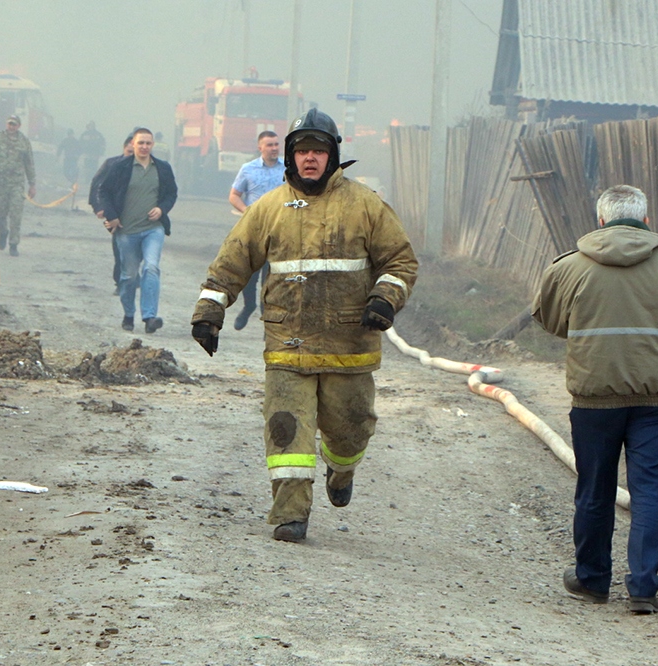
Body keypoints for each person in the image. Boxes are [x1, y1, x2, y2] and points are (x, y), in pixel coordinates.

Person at [190, 108, 418, 543]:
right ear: (291, 157)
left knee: (351, 429)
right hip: (286, 346)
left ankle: (341, 469)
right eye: (302, 151)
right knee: (286, 430)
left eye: (318, 150)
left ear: (333, 156)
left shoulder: (365, 205)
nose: (309, 158)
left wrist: (385, 298)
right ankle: (289, 514)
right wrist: (209, 312)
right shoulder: (269, 208)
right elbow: (231, 263)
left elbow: (400, 261)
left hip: (349, 345)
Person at [532, 184, 658, 614]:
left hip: (593, 400)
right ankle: (643, 589)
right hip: (657, 403)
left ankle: (592, 580)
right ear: (645, 220)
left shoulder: (571, 267)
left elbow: (549, 319)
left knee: (594, 491)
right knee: (651, 492)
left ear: (601, 220)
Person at [98, 128, 178, 334]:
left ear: (153, 145)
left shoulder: (162, 168)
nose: (144, 147)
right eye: (140, 143)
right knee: (129, 276)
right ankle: (128, 314)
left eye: (148, 143)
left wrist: (162, 209)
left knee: (151, 268)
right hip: (126, 231)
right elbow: (103, 191)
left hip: (153, 229)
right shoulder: (120, 167)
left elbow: (171, 193)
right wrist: (112, 216)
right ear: (132, 144)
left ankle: (150, 317)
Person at [227, 130, 284, 330]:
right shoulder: (248, 169)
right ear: (260, 148)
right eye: (269, 145)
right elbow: (234, 195)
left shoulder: (288, 169)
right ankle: (248, 306)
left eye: (276, 144)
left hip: (279, 231)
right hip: (254, 231)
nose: (274, 148)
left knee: (271, 279)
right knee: (250, 276)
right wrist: (246, 211)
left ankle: (267, 323)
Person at [90, 131, 137, 293]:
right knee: (120, 247)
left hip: (138, 215)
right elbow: (97, 185)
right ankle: (120, 282)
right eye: (129, 151)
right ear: (124, 148)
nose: (131, 156)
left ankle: (131, 277)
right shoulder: (112, 164)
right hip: (115, 213)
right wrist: (98, 207)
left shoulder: (146, 168)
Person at [0, 115, 36, 257]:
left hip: (17, 183)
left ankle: (13, 244)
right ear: (6, 124)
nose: (11, 126)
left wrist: (32, 184)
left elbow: (29, 164)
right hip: (0, 182)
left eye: (14, 124)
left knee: (16, 213)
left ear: (19, 126)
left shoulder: (24, 142)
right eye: (10, 123)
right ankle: (3, 231)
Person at [79, 121, 106, 185]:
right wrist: (81, 152)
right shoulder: (84, 134)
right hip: (87, 154)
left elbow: (103, 144)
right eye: (90, 126)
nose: (91, 127)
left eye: (92, 126)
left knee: (94, 167)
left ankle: (93, 180)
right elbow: (80, 143)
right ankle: (87, 180)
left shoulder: (98, 135)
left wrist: (101, 152)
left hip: (95, 154)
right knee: (87, 167)